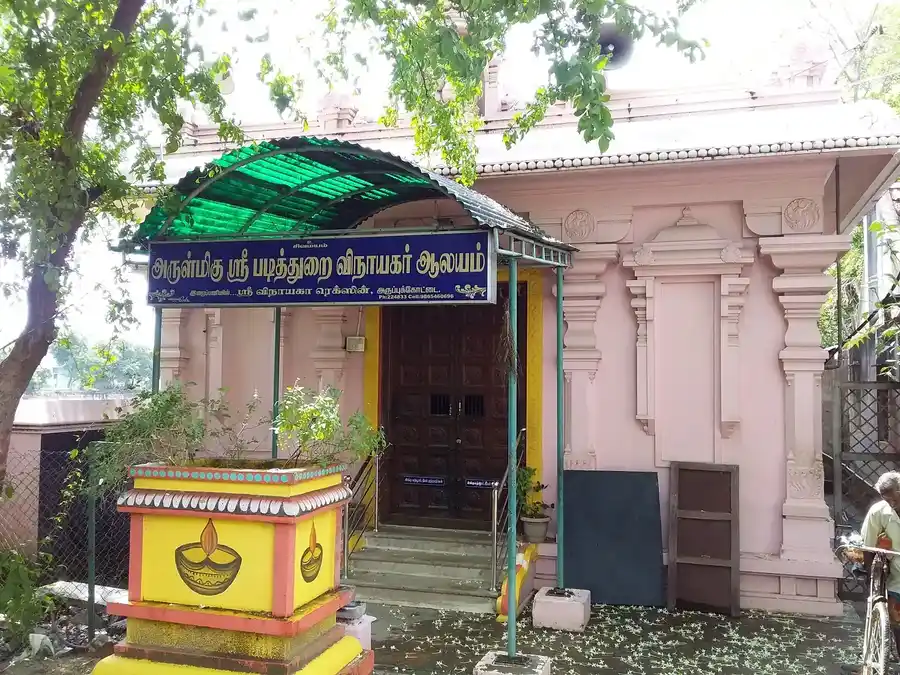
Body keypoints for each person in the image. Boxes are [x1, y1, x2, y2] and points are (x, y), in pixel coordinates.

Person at [861, 471, 900, 658]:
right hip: (895, 575)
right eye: (886, 499)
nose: (891, 503)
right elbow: (868, 546)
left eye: (894, 498)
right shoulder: (879, 512)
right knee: (895, 615)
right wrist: (871, 573)